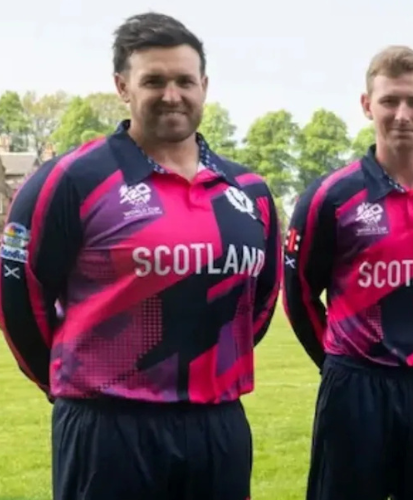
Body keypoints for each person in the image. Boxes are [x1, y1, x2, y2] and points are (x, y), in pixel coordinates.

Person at [0, 12, 281, 500]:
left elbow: (259, 300)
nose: (171, 94)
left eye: (184, 80)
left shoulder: (249, 190)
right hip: (108, 428)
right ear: (122, 87)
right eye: (153, 80)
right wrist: (69, 386)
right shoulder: (71, 181)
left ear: (205, 86)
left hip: (218, 424)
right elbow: (17, 299)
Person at [280, 45, 413, 500]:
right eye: (389, 100)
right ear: (366, 105)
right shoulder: (330, 196)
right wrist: (338, 364)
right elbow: (296, 294)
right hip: (355, 387)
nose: (402, 114)